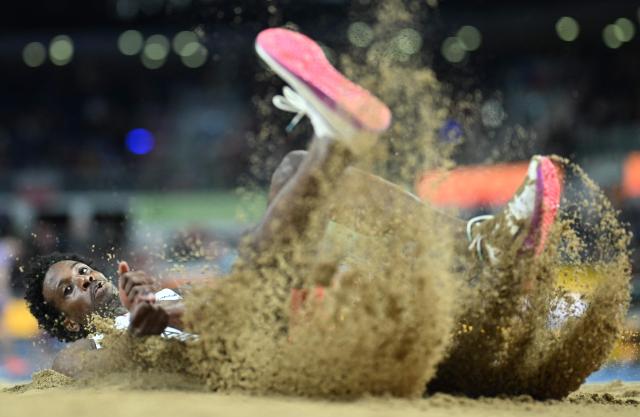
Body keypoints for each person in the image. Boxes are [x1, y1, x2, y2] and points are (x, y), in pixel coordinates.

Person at [22, 28, 562, 378]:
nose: (84, 281)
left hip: (297, 321)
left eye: (79, 271)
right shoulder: (78, 356)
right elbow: (118, 365)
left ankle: (475, 249)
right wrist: (153, 326)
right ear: (66, 324)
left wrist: (168, 305)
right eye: (67, 291)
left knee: (287, 170)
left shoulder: (162, 290)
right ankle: (335, 139)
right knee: (272, 257)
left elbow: (237, 303)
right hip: (275, 365)